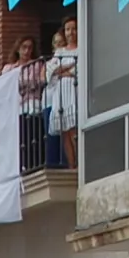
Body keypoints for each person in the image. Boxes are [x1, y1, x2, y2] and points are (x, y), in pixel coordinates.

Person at [44, 19, 78, 167]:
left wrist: (62, 71)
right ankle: (72, 165)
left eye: (74, 29)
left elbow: (80, 69)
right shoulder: (60, 52)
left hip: (75, 91)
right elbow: (50, 72)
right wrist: (68, 69)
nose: (71, 33)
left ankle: (79, 163)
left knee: (74, 131)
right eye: (67, 29)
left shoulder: (81, 48)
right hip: (61, 93)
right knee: (64, 131)